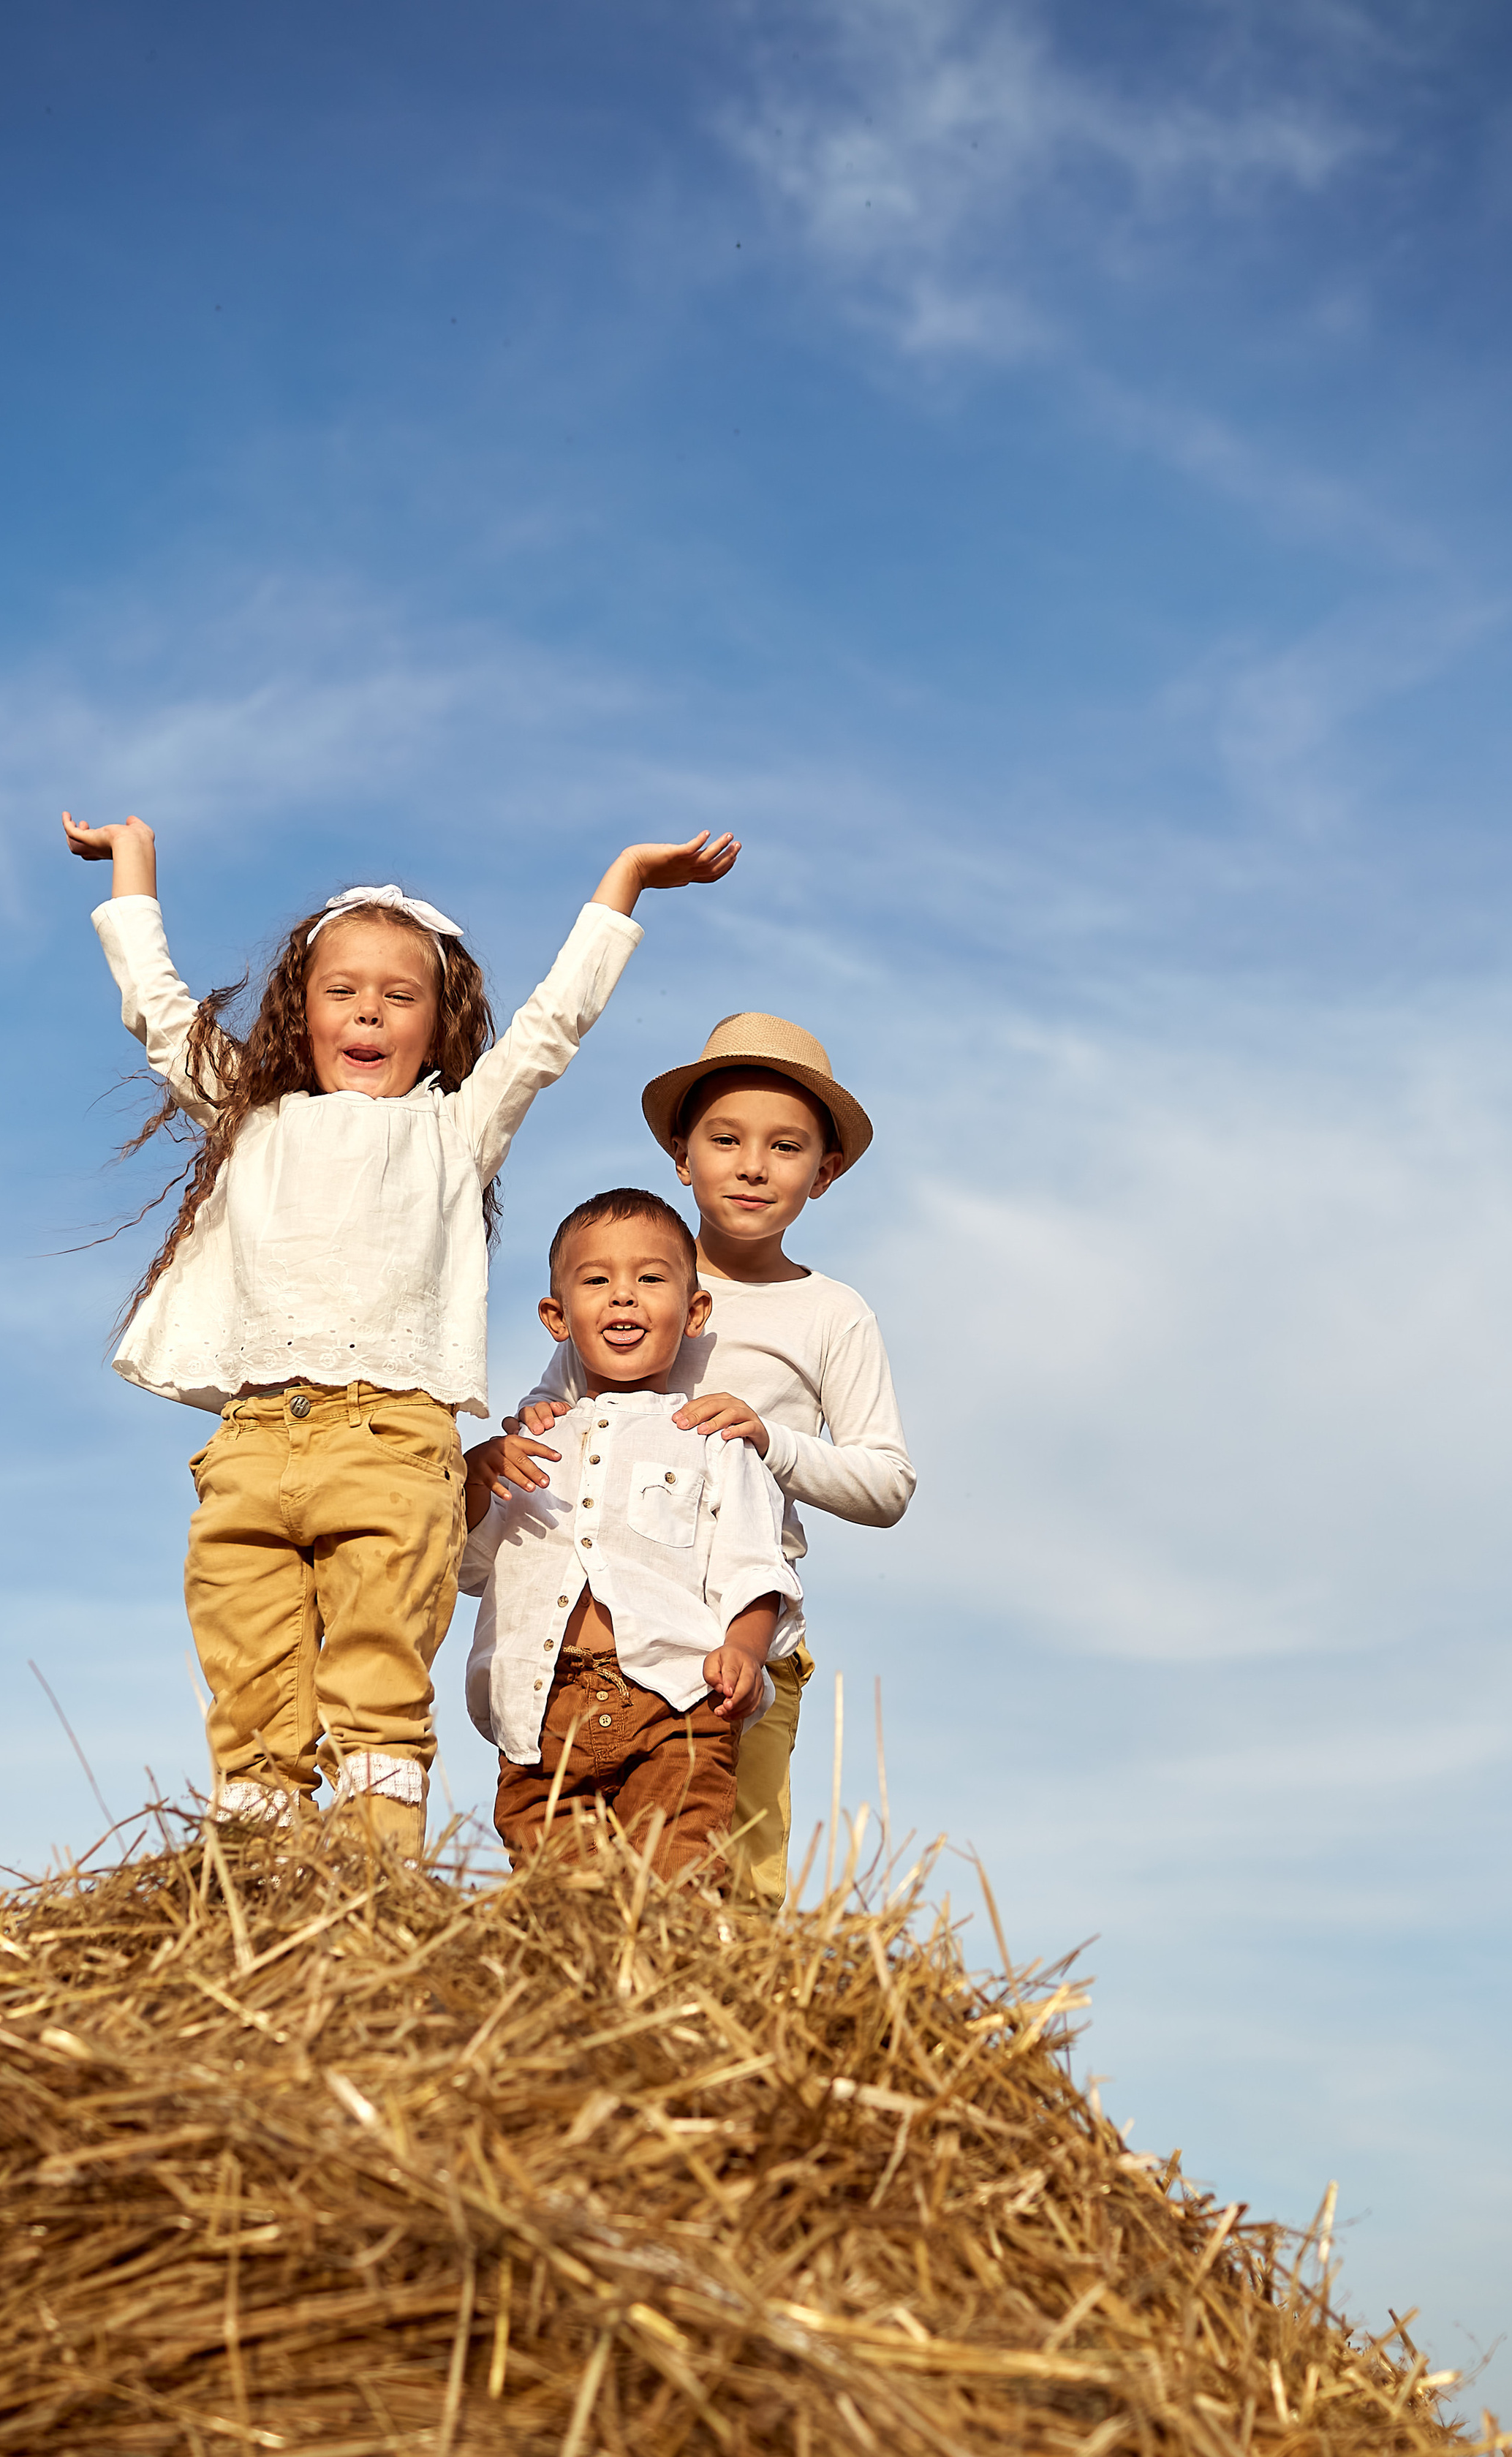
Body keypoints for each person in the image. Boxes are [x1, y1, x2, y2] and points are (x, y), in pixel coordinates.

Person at [62, 808, 739, 1860]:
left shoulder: (454, 1129)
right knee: (250, 1696)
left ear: (438, 1021)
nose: (368, 1011)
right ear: (303, 1010)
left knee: (376, 1684)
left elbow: (554, 1026)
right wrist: (132, 871)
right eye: (343, 991)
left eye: (399, 994)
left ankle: (377, 1891)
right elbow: (157, 1012)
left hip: (391, 1445)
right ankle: (258, 1898)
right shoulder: (250, 1115)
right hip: (250, 1446)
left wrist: (625, 885)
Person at [474, 1012, 911, 1906]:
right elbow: (560, 1421)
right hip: (607, 1640)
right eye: (725, 1140)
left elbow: (886, 1483)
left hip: (736, 1632)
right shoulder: (632, 1277)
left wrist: (769, 1439)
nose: (752, 1165)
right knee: (586, 1877)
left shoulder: (830, 1313)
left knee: (727, 1866)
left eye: (785, 1147)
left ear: (823, 1173)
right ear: (683, 1157)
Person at [461, 1189, 801, 1882]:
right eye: (597, 1282)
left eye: (650, 1279)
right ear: (557, 1317)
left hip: (675, 1702)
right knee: (565, 1906)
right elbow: (468, 1569)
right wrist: (473, 1478)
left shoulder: (709, 1440)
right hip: (539, 1714)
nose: (623, 1298)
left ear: (695, 1310)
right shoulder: (530, 1443)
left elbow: (754, 1565)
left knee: (676, 1886)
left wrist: (743, 1646)